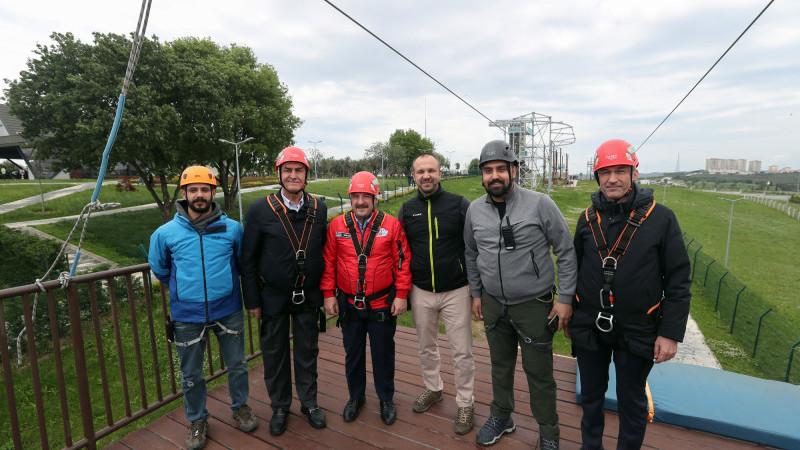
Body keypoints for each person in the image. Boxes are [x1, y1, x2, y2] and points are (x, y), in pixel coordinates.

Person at [569, 139, 691, 449]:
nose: (612, 179)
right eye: (605, 172)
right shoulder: (587, 219)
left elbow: (678, 279)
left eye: (620, 170)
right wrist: (571, 312)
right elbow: (575, 268)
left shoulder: (661, 219)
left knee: (632, 399)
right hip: (590, 324)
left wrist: (670, 333)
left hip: (638, 327)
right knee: (591, 397)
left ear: (634, 173)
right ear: (596, 177)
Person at [464, 140, 577, 449]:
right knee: (500, 366)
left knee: (539, 373)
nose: (494, 176)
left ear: (514, 170)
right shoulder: (474, 210)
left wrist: (565, 298)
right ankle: (502, 416)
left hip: (533, 305)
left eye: (501, 168)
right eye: (488, 171)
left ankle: (549, 434)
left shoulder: (540, 204)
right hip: (492, 302)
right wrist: (476, 294)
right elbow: (471, 254)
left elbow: (565, 252)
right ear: (482, 175)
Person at [148, 166, 257, 450]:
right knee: (192, 374)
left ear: (213, 192)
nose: (199, 195)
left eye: (205, 189)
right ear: (183, 194)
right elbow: (160, 269)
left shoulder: (233, 229)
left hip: (228, 309)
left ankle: (240, 406)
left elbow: (241, 263)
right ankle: (197, 420)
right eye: (193, 190)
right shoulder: (165, 233)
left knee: (237, 365)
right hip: (187, 315)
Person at [240, 147, 328, 436]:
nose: (293, 175)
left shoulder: (318, 208)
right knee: (275, 353)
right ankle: (280, 406)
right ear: (280, 174)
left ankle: (309, 402)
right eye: (288, 170)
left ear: (306, 175)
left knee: (307, 351)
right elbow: (248, 259)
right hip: (273, 296)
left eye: (298, 170)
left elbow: (324, 252)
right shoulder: (260, 209)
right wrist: (252, 299)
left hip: (307, 295)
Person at [322, 171, 412, 426]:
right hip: (349, 303)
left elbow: (403, 263)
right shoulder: (337, 226)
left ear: (375, 198)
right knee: (353, 354)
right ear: (350, 197)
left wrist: (402, 295)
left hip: (381, 303)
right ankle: (356, 397)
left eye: (366, 196)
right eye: (356, 196)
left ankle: (386, 398)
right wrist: (328, 294)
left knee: (383, 354)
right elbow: (329, 262)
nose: (361, 201)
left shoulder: (391, 226)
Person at [398, 153, 476, 435]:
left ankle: (466, 402)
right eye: (420, 172)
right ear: (414, 175)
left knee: (461, 351)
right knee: (425, 347)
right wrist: (403, 290)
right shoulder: (406, 210)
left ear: (440, 173)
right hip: (421, 290)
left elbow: (474, 246)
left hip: (457, 289)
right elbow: (401, 252)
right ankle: (434, 388)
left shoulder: (459, 204)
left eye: (431, 170)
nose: (426, 176)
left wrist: (475, 289)